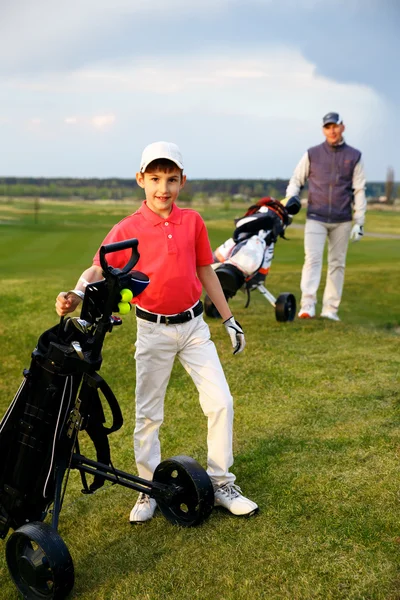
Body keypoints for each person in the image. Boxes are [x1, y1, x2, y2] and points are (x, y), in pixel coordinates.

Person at [56, 141, 258, 522]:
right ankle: (148, 489)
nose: (162, 188)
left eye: (170, 179)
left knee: (221, 402)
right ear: (140, 180)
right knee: (149, 414)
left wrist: (229, 318)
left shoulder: (193, 221)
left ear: (182, 181)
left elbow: (205, 270)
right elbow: (97, 269)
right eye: (154, 179)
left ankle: (220, 484)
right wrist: (76, 293)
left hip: (195, 327)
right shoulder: (128, 227)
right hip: (152, 331)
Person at [286, 112, 367, 321]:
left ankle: (330, 310)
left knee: (337, 263)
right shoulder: (313, 153)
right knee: (312, 261)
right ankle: (307, 306)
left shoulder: (354, 155)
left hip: (342, 219)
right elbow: (296, 180)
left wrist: (359, 221)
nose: (331, 130)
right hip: (316, 216)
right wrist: (290, 201)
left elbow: (359, 190)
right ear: (323, 130)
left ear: (342, 127)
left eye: (335, 126)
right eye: (327, 127)